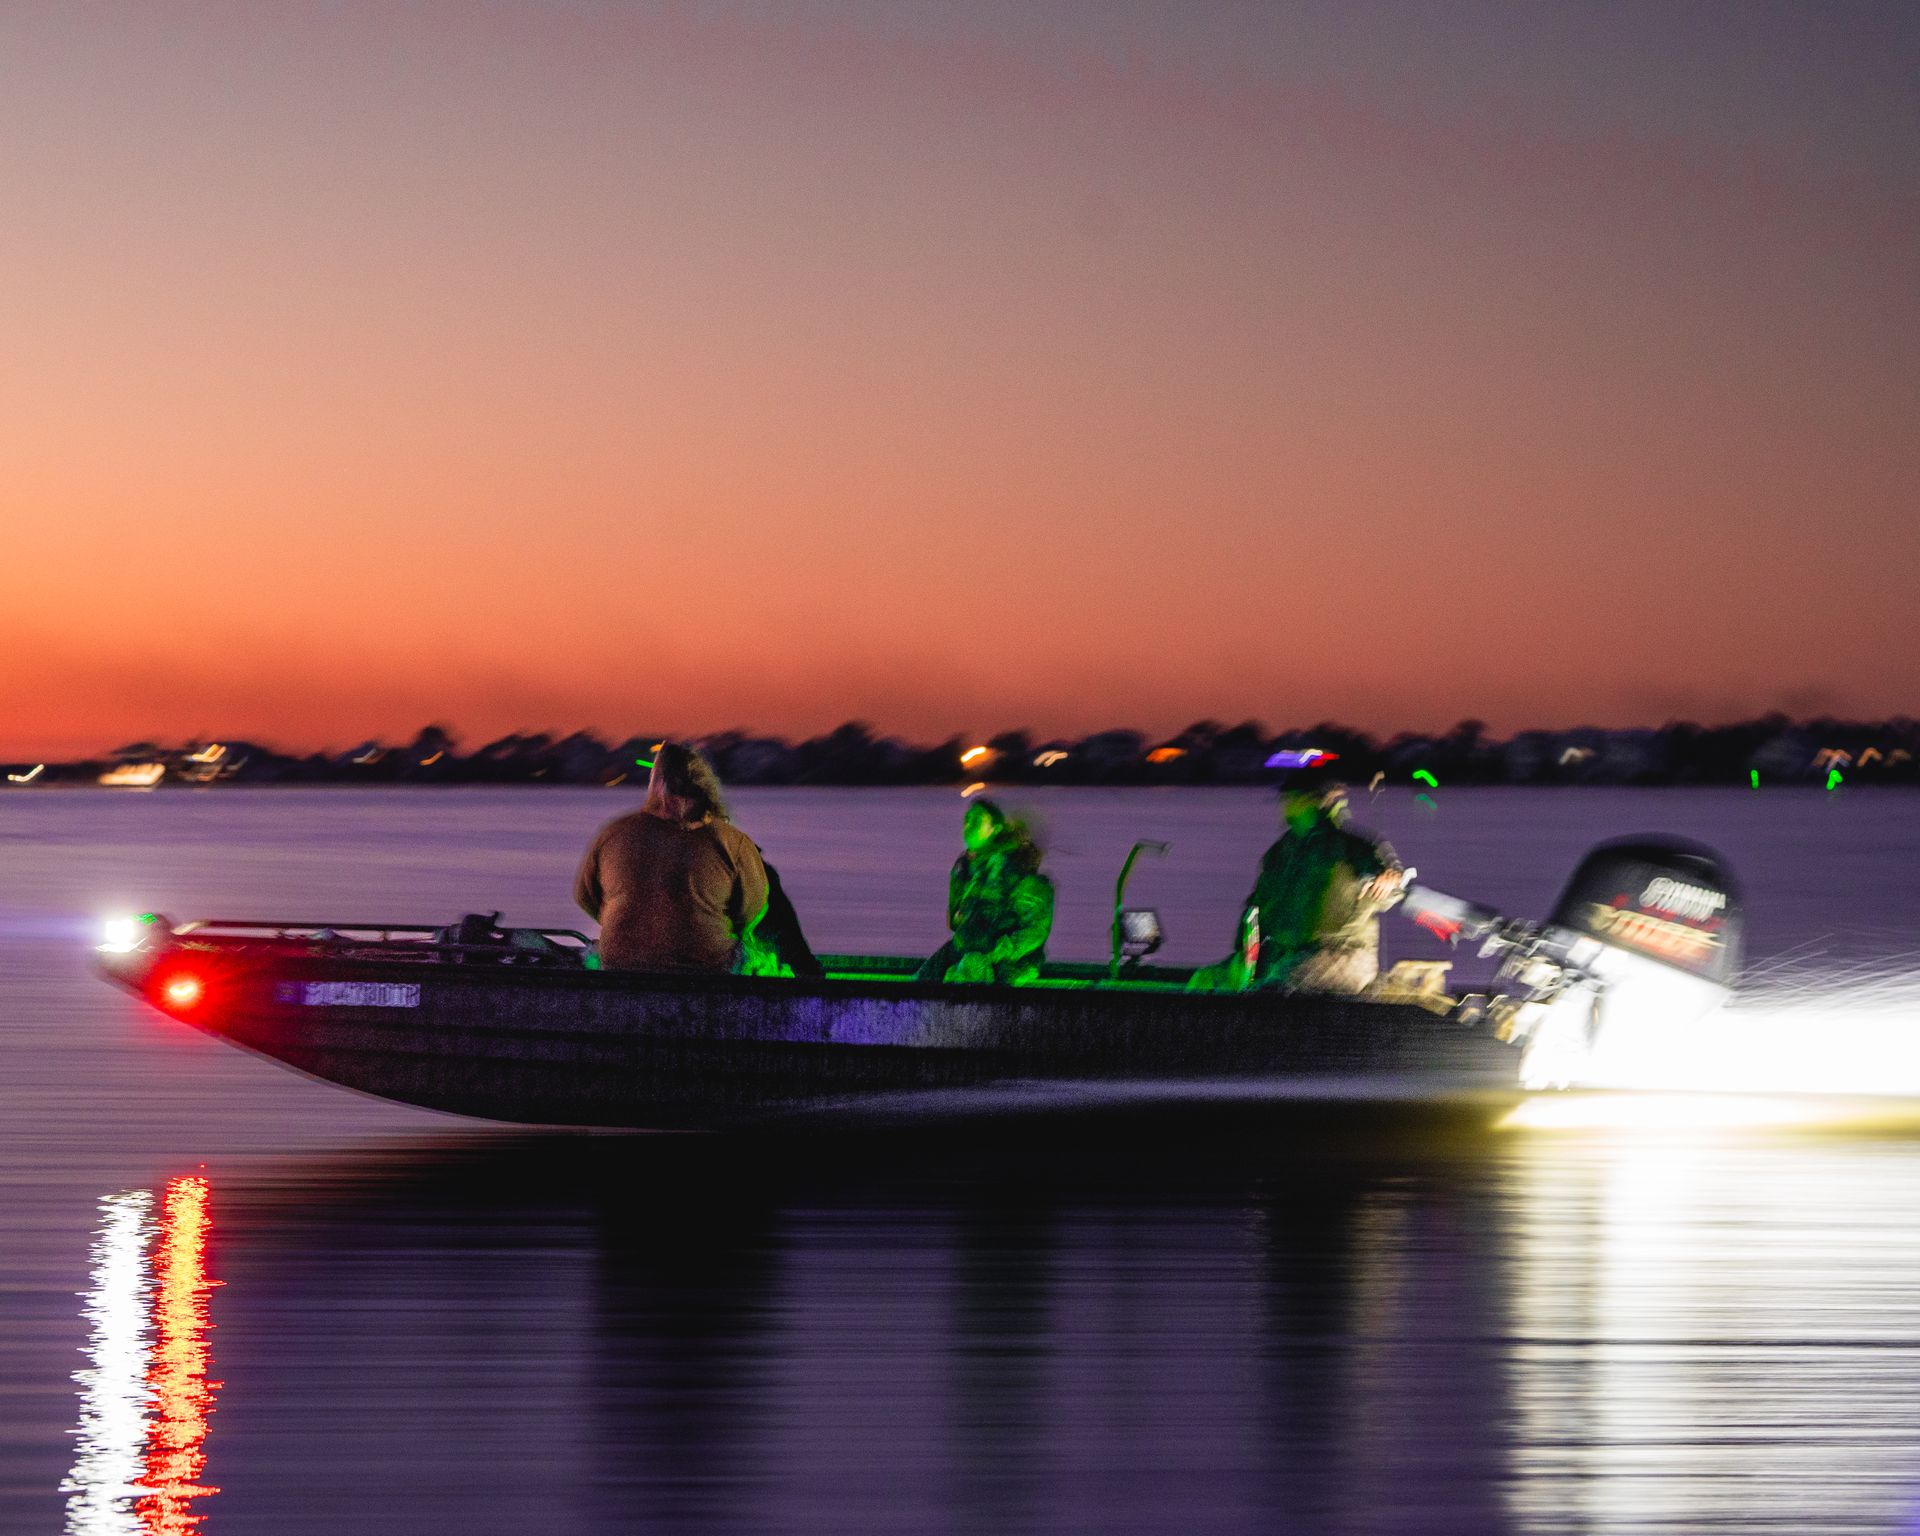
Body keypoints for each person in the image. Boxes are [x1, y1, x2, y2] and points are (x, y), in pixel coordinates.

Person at [573, 742, 768, 972]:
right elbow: (753, 908)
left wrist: (632, 925)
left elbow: (585, 896)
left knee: (595, 952)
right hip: (708, 967)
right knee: (760, 955)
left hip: (621, 965)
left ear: (655, 783)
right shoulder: (732, 841)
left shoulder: (613, 833)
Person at [1231, 765, 1406, 994]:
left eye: (1291, 798)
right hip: (1287, 956)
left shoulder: (1353, 847)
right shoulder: (1280, 853)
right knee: (1234, 986)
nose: (1284, 805)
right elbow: (1257, 908)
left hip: (1345, 955)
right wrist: (1241, 954)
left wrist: (1389, 879)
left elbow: (1390, 881)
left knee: (1275, 992)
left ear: (1311, 801)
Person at [917, 797, 1054, 985]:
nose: (968, 824)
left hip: (1009, 961)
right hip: (966, 949)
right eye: (967, 818)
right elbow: (958, 922)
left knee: (973, 972)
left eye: (977, 819)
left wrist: (998, 952)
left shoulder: (1014, 868)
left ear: (995, 829)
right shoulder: (964, 870)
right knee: (922, 981)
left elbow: (1035, 929)